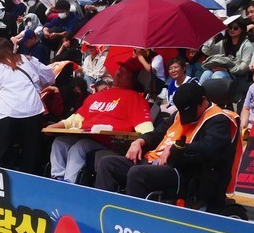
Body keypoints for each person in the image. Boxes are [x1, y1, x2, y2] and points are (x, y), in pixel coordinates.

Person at [95, 82, 239, 206]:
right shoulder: (179, 114)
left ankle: (134, 220)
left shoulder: (218, 119)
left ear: (202, 101)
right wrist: (139, 141)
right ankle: (102, 210)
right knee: (107, 163)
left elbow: (208, 148)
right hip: (154, 161)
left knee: (137, 173)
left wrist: (175, 148)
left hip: (181, 170)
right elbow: (157, 133)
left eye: (188, 112)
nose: (184, 117)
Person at [46, 58, 154, 183]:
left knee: (80, 147)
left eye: (126, 71)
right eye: (120, 68)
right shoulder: (95, 96)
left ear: (135, 79)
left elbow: (147, 131)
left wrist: (140, 142)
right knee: (59, 142)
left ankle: (70, 185)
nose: (120, 71)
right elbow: (77, 119)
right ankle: (57, 180)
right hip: (87, 136)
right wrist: (58, 125)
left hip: (112, 144)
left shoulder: (136, 100)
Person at [0, 37, 55, 174]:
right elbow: (50, 76)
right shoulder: (27, 59)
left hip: (7, 111)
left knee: (0, 157)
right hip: (32, 109)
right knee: (31, 156)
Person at [199, 18, 254, 84]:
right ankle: (200, 90)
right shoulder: (224, 42)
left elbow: (244, 67)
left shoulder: (247, 45)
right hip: (222, 71)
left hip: (237, 76)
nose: (232, 30)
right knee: (206, 73)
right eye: (230, 27)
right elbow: (206, 51)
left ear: (242, 29)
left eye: (236, 28)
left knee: (217, 74)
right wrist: (212, 38)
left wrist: (226, 70)